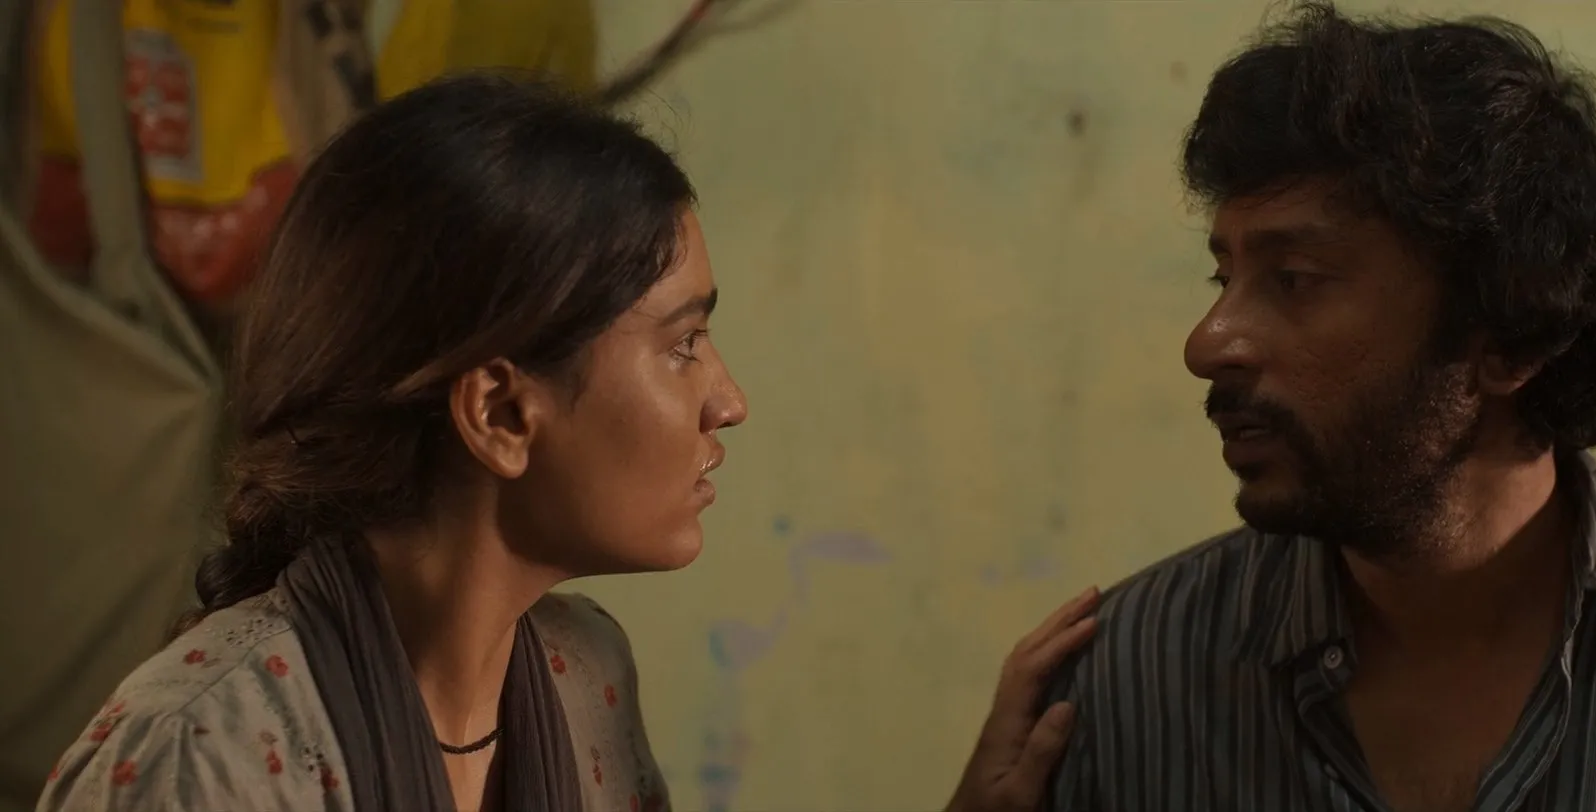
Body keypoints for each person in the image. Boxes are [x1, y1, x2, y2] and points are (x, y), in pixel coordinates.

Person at [36, 74, 1095, 812]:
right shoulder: (201, 758)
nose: (729, 401)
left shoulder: (582, 677)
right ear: (501, 413)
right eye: (683, 345)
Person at [1043, 5, 1596, 812]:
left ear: (1510, 335)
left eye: (1294, 280)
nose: (1209, 343)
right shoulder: (1123, 679)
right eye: (1223, 277)